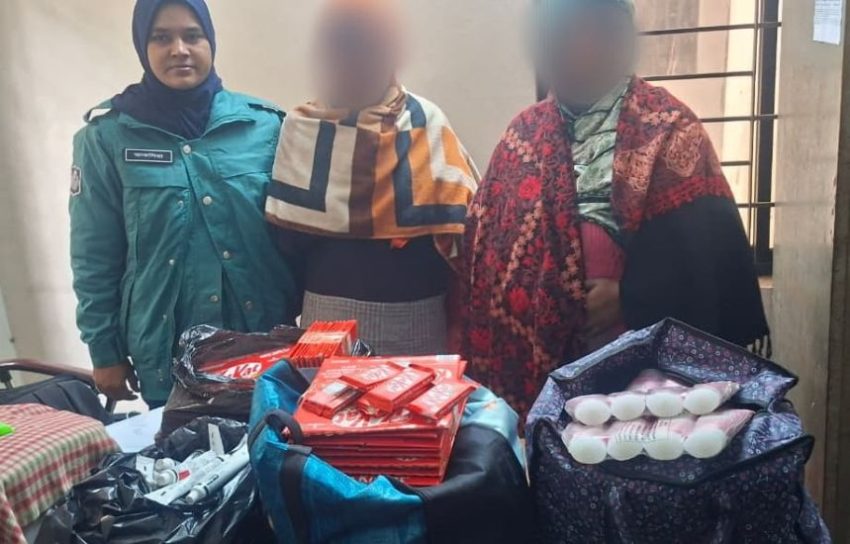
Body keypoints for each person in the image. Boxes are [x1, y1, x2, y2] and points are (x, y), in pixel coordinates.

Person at [461, 0, 770, 418]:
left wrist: (629, 297)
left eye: (591, 33)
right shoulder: (523, 135)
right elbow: (483, 256)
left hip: (646, 387)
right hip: (536, 385)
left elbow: (708, 265)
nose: (576, 51)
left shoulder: (670, 130)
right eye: (560, 37)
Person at [70, 0, 299, 407]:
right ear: (142, 46)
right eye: (161, 38)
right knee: (184, 446)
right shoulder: (105, 139)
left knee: (275, 438)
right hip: (167, 348)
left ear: (210, 41)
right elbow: (94, 254)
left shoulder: (265, 126)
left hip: (264, 336)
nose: (179, 49)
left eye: (192, 35)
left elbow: (298, 236)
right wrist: (104, 352)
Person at [266, 0, 479, 356]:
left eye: (371, 48)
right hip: (324, 325)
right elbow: (286, 247)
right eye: (345, 48)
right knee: (321, 395)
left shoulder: (426, 123)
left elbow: (465, 242)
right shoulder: (302, 128)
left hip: (417, 327)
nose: (357, 63)